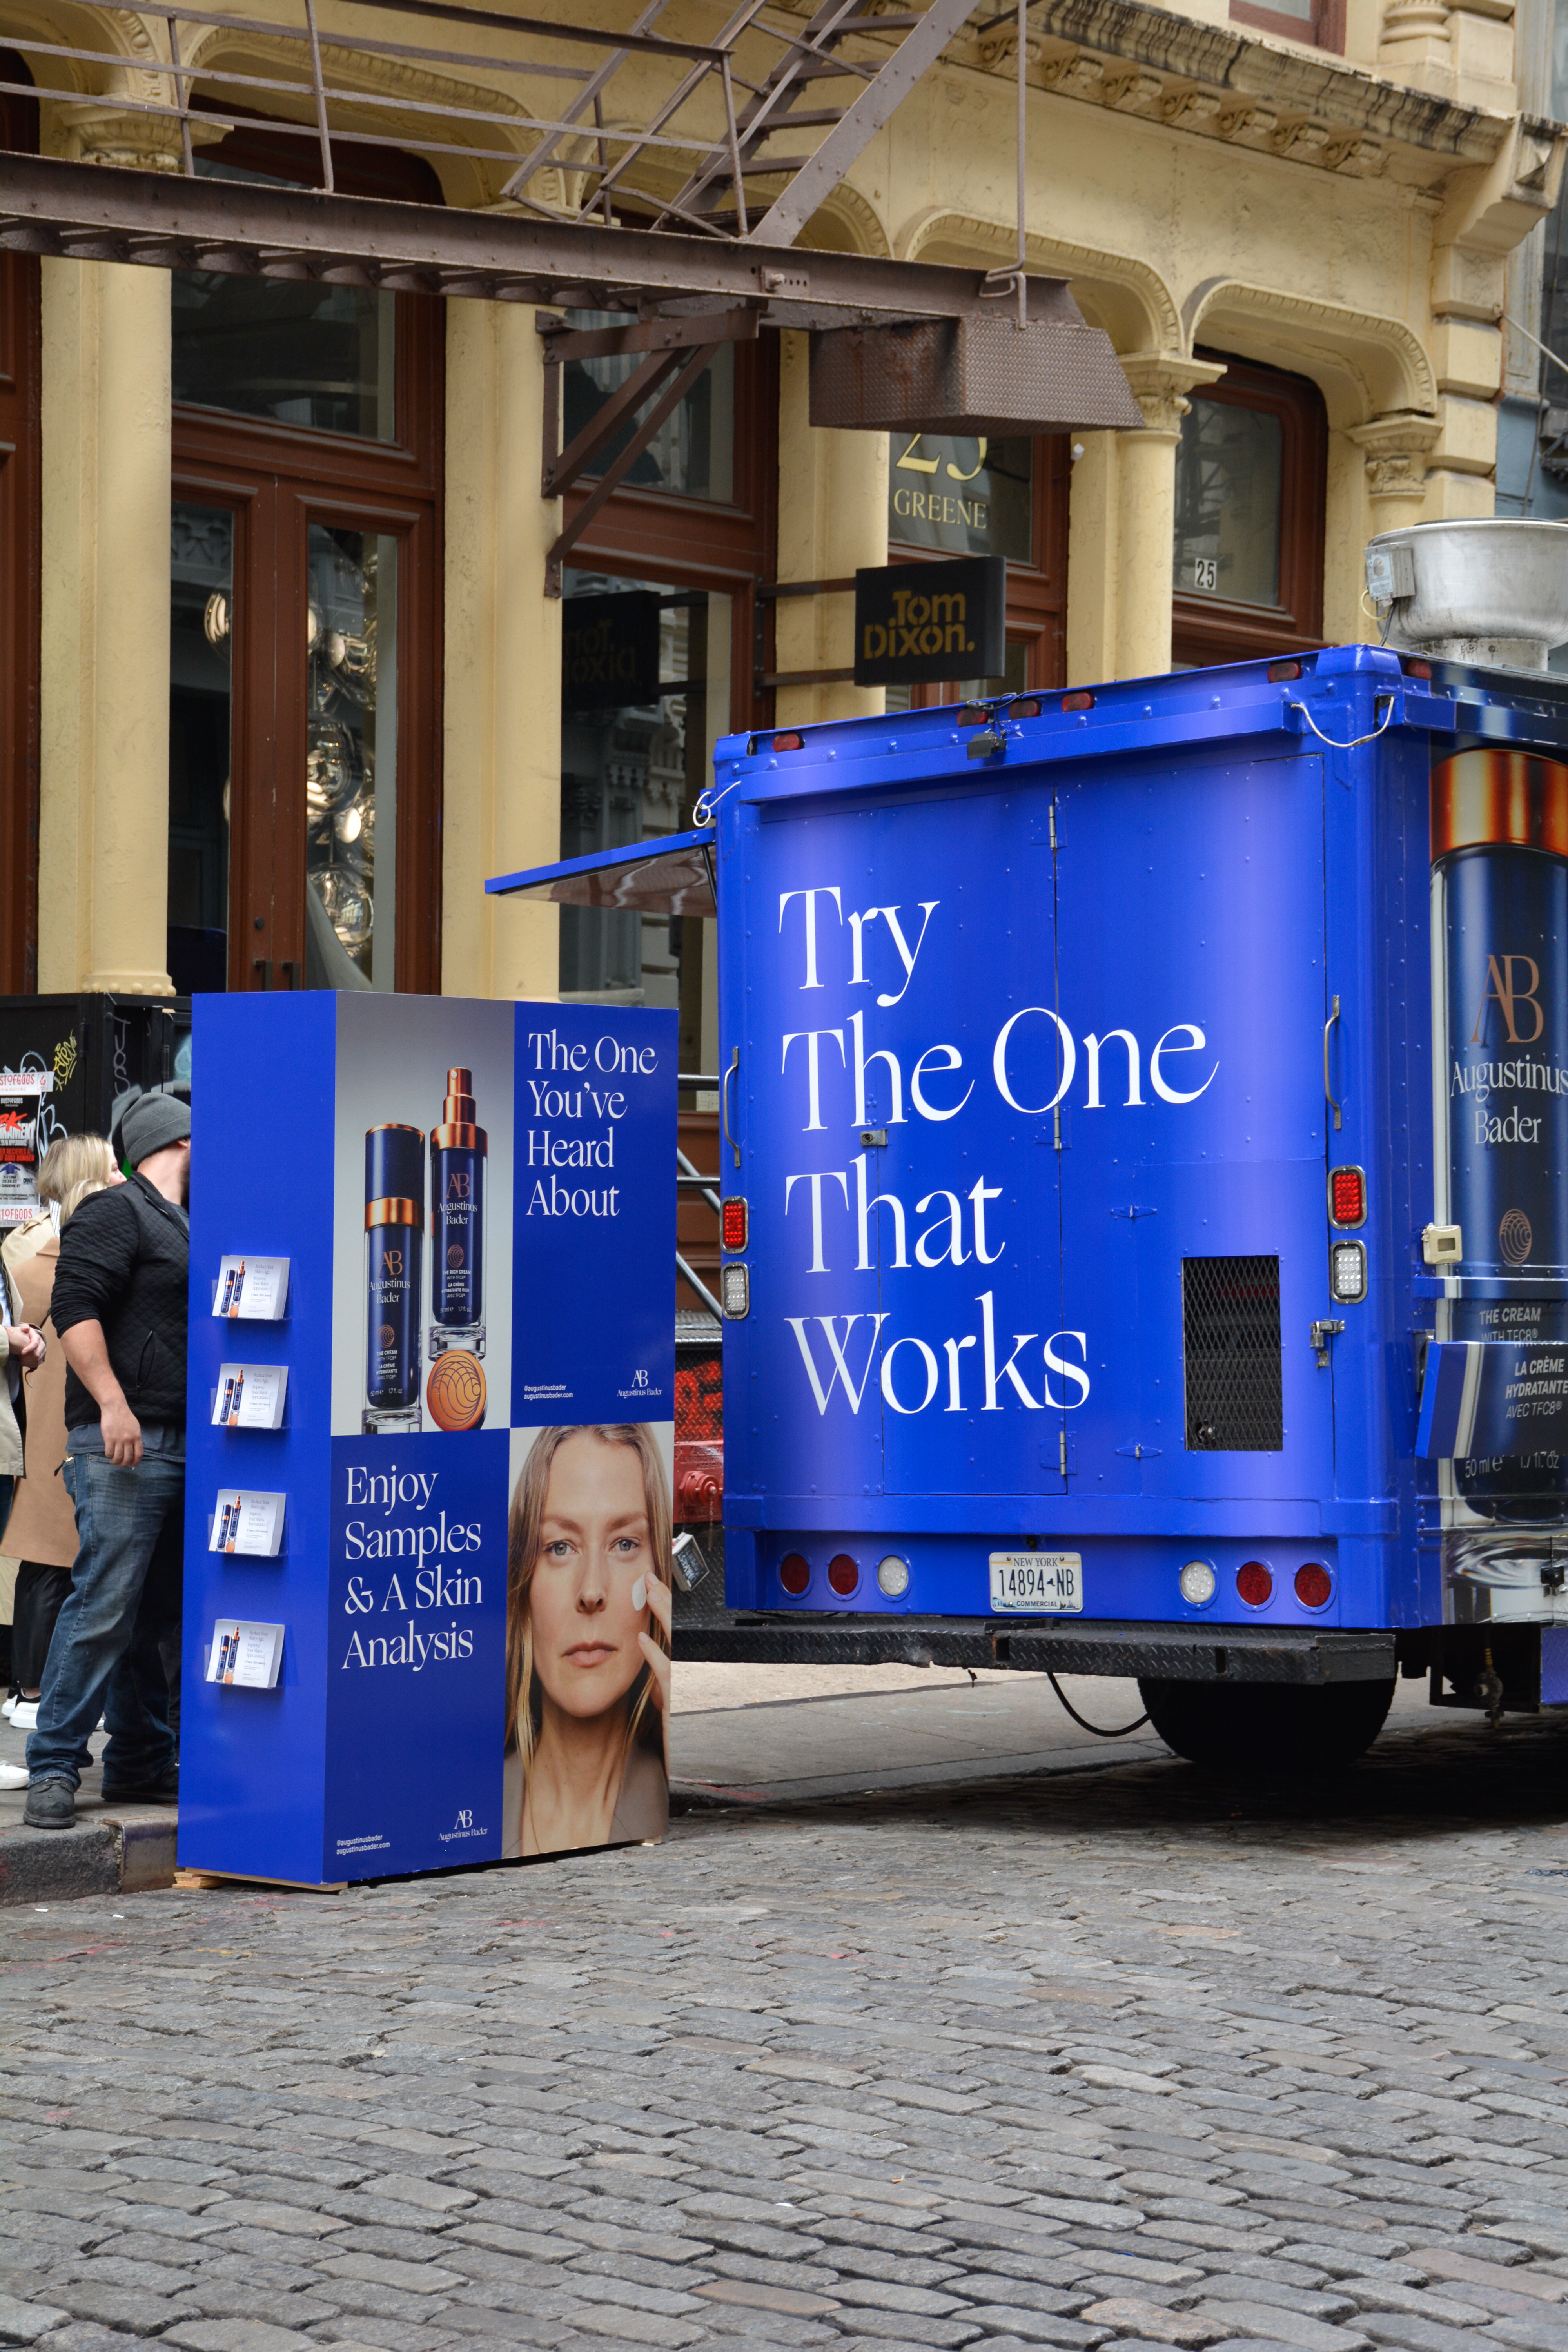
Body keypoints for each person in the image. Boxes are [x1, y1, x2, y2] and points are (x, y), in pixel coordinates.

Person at [24, 1088, 191, 1830]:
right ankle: (56, 1764)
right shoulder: (115, 1211)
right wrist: (115, 1406)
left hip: (186, 1442)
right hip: (127, 1440)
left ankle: (140, 1759)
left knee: (154, 1613)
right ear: (179, 1143)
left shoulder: (185, 1220)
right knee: (104, 1605)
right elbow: (75, 1308)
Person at [503, 1423, 671, 1858]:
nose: (591, 1591)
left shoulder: (661, 1799)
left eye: (624, 1543)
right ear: (523, 1588)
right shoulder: (464, 1802)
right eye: (560, 1548)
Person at [2, 1137, 122, 1737]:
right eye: (113, 1167)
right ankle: (35, 1689)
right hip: (58, 1416)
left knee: (55, 1556)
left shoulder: (33, 1247)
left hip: (55, 1413)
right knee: (56, 1556)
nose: (124, 1175)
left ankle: (37, 1688)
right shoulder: (48, 1251)